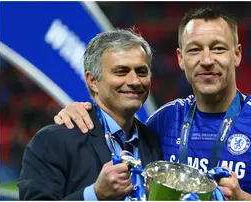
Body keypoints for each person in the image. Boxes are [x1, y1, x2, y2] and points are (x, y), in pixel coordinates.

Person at [53, 7, 251, 200]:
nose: (206, 60)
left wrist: (241, 199)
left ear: (237, 54)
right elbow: (116, 128)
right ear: (181, 59)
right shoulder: (163, 120)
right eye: (194, 50)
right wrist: (82, 108)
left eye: (218, 48)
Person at [18, 29, 163, 200]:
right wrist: (94, 195)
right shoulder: (52, 141)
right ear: (93, 81)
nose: (134, 81)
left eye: (141, 72)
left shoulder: (153, 141)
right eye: (121, 71)